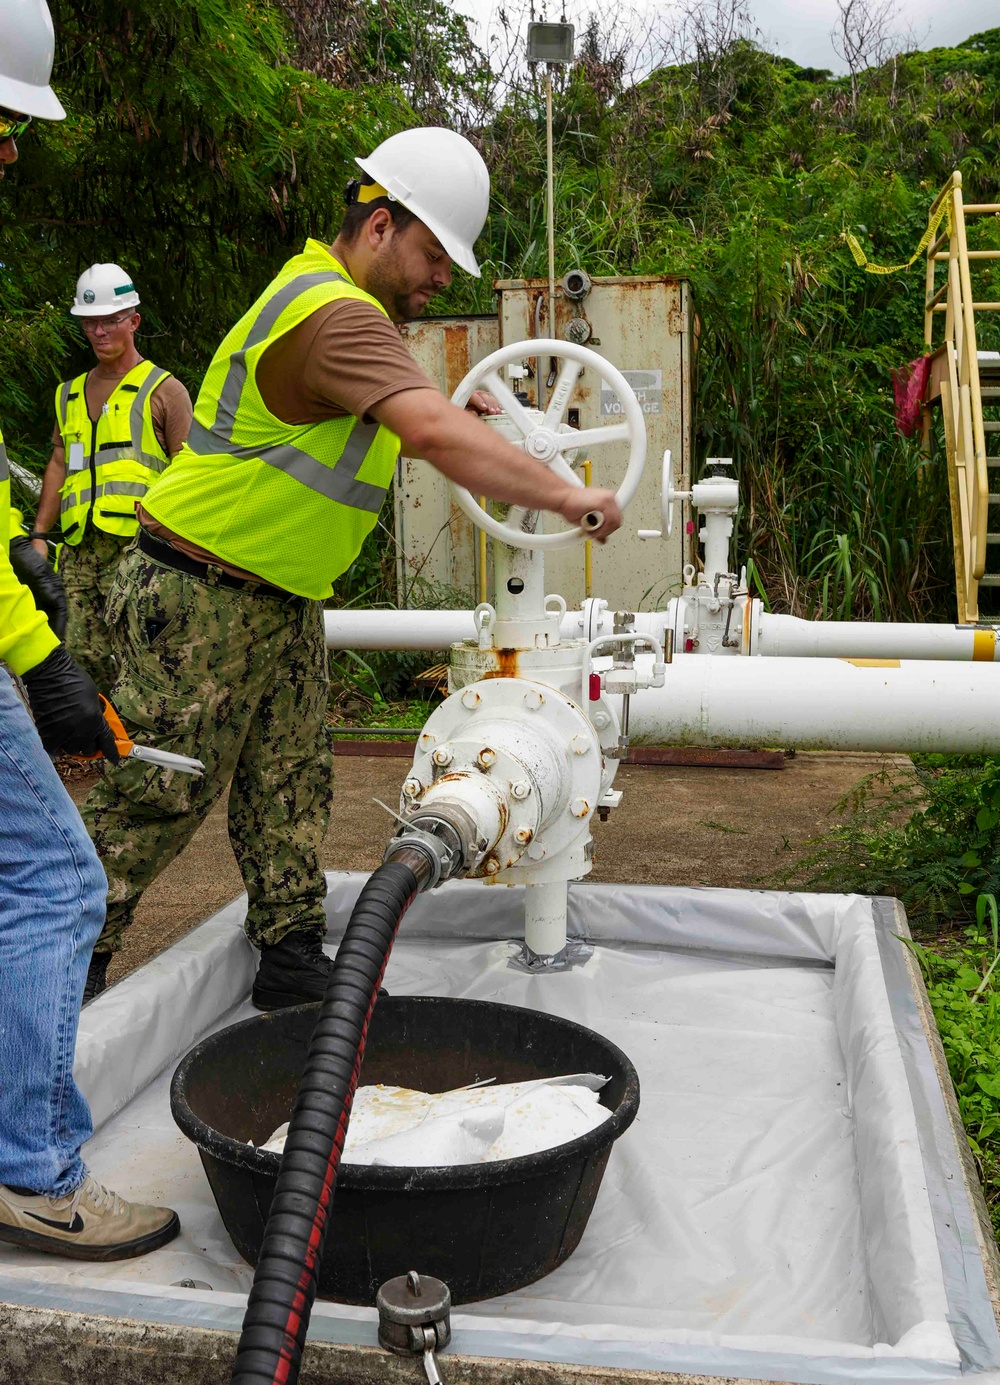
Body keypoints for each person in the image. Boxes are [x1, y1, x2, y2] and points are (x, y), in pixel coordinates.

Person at [81, 125, 622, 1009]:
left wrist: (466, 406)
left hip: (275, 597)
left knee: (290, 782)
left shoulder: (326, 303)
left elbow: (369, 420)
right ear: (379, 224)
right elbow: (432, 436)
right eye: (436, 253)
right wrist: (571, 498)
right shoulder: (334, 314)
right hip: (201, 593)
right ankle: (52, 974)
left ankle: (291, 964)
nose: (445, 277)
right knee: (157, 794)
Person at [0, 0, 179, 1260]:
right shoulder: (73, 389)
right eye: (4, 123)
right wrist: (37, 653)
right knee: (60, 881)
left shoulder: (158, 388)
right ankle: (35, 1170)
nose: (11, 152)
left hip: (104, 578)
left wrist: (19, 553)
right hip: (44, 606)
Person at [29, 266, 192, 692]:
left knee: (147, 655)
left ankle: (143, 750)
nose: (99, 331)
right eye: (90, 321)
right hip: (80, 551)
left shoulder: (165, 390)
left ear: (133, 321)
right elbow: (59, 462)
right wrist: (40, 534)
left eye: (110, 320)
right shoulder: (69, 394)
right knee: (81, 656)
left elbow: (190, 469)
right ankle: (94, 748)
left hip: (143, 551)